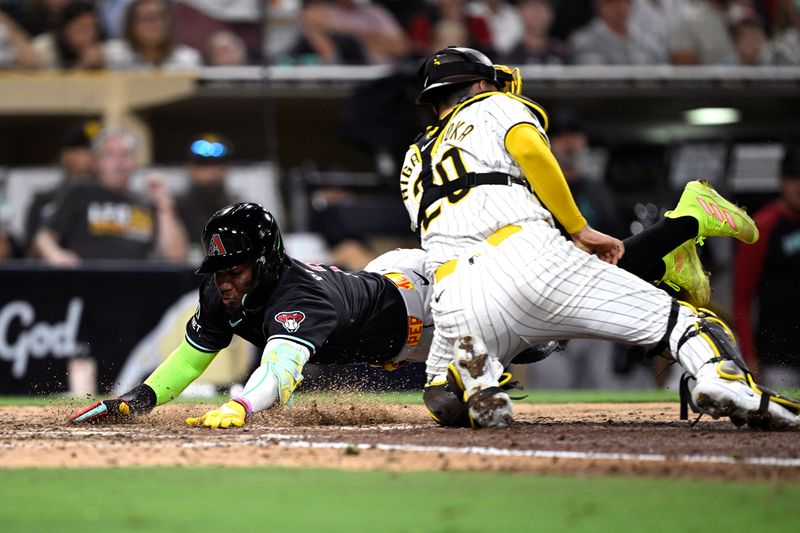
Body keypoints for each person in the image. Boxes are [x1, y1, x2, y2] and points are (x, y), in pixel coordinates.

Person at [73, 188, 762, 428]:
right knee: (558, 310)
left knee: (567, 302)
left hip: (428, 303)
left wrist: (246, 405)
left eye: (236, 269)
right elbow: (196, 350)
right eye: (219, 272)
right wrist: (138, 398)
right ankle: (671, 248)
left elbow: (281, 365)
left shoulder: (294, 293)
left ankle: (684, 221)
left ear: (268, 259)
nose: (225, 285)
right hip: (400, 301)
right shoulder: (227, 286)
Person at [400, 46, 799, 429]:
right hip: (525, 254)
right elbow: (532, 151)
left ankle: (474, 380)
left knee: (441, 390)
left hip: (457, 294)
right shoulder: (495, 105)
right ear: (481, 85)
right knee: (683, 323)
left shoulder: (413, 158)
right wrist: (579, 228)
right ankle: (721, 377)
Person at [32, 128, 188, 265]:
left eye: (126, 155)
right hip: (87, 284)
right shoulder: (81, 192)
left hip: (136, 286)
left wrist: (164, 206)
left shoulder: (146, 202)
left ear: (135, 162)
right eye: (111, 155)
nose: (119, 163)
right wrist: (55, 254)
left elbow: (176, 257)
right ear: (97, 162)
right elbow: (44, 237)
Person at [734, 144, 800, 387]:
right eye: (794, 178)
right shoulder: (763, 225)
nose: (799, 186)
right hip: (776, 359)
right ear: (782, 180)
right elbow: (742, 296)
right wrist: (749, 356)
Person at [24, 119, 99, 256]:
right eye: (83, 150)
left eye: (95, 151)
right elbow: (31, 250)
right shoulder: (45, 201)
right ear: (66, 155)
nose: (90, 156)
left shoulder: (106, 200)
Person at [174, 133, 238, 259]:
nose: (211, 171)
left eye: (218, 164)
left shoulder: (238, 209)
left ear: (228, 167)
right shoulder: (175, 207)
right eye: (203, 164)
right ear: (190, 167)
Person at [104, 0, 201, 70]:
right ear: (131, 24)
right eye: (146, 17)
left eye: (160, 16)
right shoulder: (112, 56)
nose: (153, 23)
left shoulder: (187, 59)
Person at [569, 0, 664, 65]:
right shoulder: (583, 41)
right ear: (600, 5)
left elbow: (663, 70)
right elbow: (596, 78)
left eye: (627, 1)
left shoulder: (648, 39)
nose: (622, 7)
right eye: (613, 2)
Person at [31, 0, 105, 69]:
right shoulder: (43, 48)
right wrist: (83, 66)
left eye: (94, 29)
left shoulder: (107, 50)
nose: (90, 35)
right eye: (81, 30)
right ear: (64, 31)